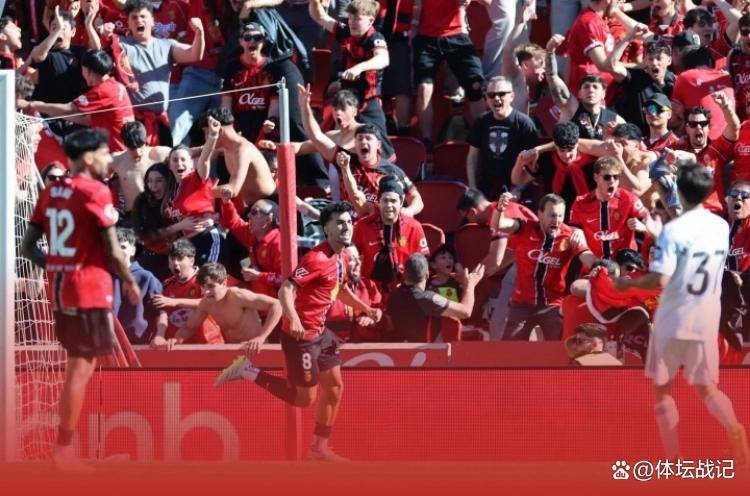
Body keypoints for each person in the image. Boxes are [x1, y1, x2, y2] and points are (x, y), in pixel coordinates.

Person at [214, 202, 380, 461]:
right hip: (300, 337)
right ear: (326, 229)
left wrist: (366, 309)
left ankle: (318, 448)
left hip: (320, 333)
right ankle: (247, 370)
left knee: (335, 388)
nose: (346, 227)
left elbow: (340, 289)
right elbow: (286, 289)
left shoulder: (344, 256)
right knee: (304, 399)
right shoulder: (316, 259)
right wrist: (293, 319)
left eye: (349, 222)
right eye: (339, 223)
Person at [20, 128, 141, 471]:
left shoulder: (50, 192)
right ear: (88, 158)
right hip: (89, 290)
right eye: (103, 153)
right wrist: (129, 281)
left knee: (79, 368)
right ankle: (64, 450)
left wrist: (56, 266)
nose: (108, 159)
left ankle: (68, 449)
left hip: (62, 290)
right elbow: (114, 251)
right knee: (81, 370)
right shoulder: (95, 190)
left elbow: (28, 247)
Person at [613, 164, 750, 465]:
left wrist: (627, 283)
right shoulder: (720, 227)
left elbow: (660, 278)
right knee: (707, 388)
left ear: (681, 193)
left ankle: (674, 457)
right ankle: (732, 425)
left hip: (674, 316)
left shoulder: (672, 231)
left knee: (663, 390)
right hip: (706, 317)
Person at [495, 192, 596, 340]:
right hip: (522, 303)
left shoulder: (569, 236)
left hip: (553, 305)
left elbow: (587, 256)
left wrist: (601, 266)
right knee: (511, 349)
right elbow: (498, 224)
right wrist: (499, 209)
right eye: (552, 215)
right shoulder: (525, 228)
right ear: (540, 214)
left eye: (560, 216)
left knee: (559, 349)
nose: (557, 220)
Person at [19, 49, 135, 153]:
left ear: (87, 71)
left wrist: (32, 104)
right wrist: (55, 113)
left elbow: (69, 109)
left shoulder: (102, 91)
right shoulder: (116, 85)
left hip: (116, 153)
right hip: (122, 150)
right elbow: (87, 120)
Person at [309, 0, 392, 144]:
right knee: (333, 140)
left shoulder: (375, 38)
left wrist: (359, 68)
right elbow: (320, 17)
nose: (352, 22)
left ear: (370, 21)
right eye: (350, 18)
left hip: (367, 102)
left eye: (358, 19)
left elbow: (383, 59)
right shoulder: (345, 31)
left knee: (379, 144)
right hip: (347, 100)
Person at [167, 262, 282, 344]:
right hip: (234, 355)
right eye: (203, 287)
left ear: (224, 283)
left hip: (256, 350)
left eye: (211, 286)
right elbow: (189, 327)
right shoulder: (206, 303)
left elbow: (277, 305)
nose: (206, 292)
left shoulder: (238, 296)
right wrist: (176, 340)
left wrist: (262, 337)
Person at [163, 116, 223, 265]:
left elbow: (205, 159)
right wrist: (180, 226)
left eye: (183, 159)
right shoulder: (170, 191)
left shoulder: (197, 178)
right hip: (188, 246)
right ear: (169, 165)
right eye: (175, 160)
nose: (179, 163)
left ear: (191, 164)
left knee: (208, 277)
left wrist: (212, 136)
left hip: (208, 238)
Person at [466, 76, 538, 201]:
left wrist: (518, 189)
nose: (496, 98)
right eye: (491, 95)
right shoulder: (481, 121)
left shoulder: (524, 123)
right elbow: (472, 157)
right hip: (486, 188)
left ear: (512, 96)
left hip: (515, 188)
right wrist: (472, 188)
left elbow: (534, 164)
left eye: (502, 94)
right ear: (486, 98)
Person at [353, 179, 430, 294]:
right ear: (378, 202)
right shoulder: (363, 226)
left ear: (401, 201)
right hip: (370, 292)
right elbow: (351, 258)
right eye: (385, 200)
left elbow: (423, 265)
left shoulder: (414, 227)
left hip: (403, 291)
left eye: (393, 201)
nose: (389, 205)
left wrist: (416, 294)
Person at [386, 253, 484, 342]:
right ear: (427, 274)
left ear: (405, 274)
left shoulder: (393, 295)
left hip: (398, 352)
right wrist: (470, 285)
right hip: (424, 352)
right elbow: (466, 311)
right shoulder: (427, 298)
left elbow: (389, 325)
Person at [569, 156, 648, 259]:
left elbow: (647, 220)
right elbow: (572, 226)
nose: (612, 181)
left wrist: (643, 226)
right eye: (607, 177)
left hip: (624, 263)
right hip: (594, 262)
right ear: (596, 178)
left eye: (616, 177)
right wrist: (577, 230)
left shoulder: (629, 198)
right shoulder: (581, 202)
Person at [151, 239, 224, 348]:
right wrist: (160, 335)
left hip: (208, 345)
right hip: (177, 346)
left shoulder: (206, 280)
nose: (175, 263)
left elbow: (210, 302)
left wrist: (175, 302)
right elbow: (162, 313)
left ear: (191, 260)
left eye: (180, 259)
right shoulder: (166, 285)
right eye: (172, 259)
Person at [202, 106, 277, 207]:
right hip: (254, 206)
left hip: (271, 205)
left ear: (219, 131)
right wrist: (187, 152)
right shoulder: (227, 147)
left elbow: (232, 190)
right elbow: (202, 151)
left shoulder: (243, 150)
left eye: (207, 133)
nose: (206, 138)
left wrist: (202, 192)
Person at [112, 227, 165, 344]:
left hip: (138, 346)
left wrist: (160, 335)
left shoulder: (147, 278)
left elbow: (160, 312)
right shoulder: (103, 278)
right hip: (107, 347)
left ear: (133, 251)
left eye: (123, 247)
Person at [112, 122, 171, 215]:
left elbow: (187, 153)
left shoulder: (160, 154)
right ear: (124, 144)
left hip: (159, 212)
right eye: (132, 149)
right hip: (132, 216)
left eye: (141, 146)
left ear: (145, 139)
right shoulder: (116, 160)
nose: (138, 152)